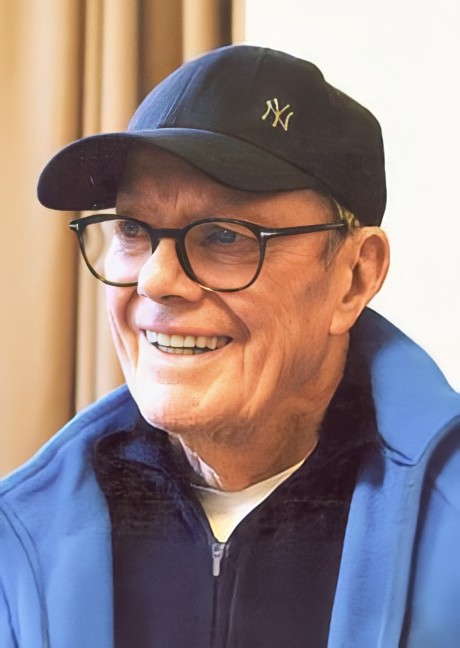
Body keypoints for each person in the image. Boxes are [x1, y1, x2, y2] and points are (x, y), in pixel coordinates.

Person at [1, 45, 459, 648]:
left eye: (224, 236)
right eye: (133, 230)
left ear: (354, 276)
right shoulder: (23, 538)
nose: (155, 281)